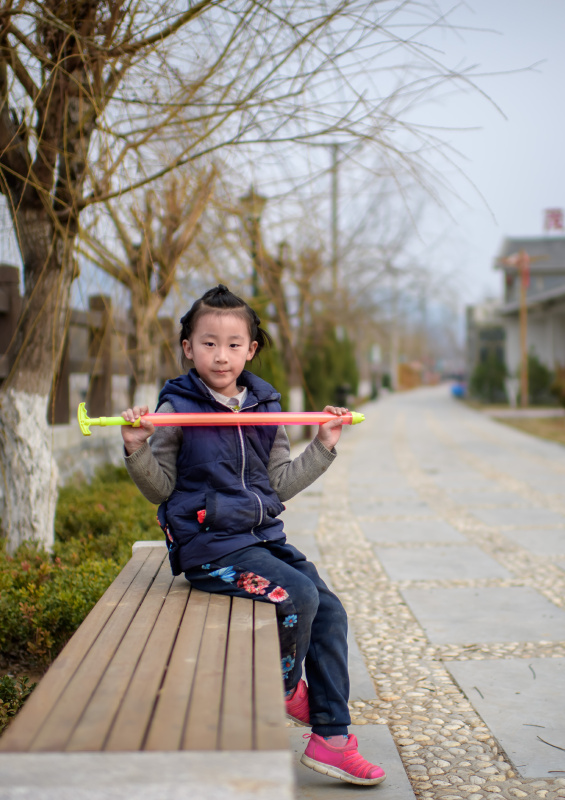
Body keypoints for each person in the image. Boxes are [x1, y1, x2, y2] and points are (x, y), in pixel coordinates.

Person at [119, 284, 385, 786]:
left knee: (329, 609)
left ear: (251, 349)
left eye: (234, 343)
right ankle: (284, 689)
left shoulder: (267, 407)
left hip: (261, 539)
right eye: (209, 343)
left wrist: (324, 446)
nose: (222, 355)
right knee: (299, 594)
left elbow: (280, 482)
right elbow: (162, 491)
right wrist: (137, 448)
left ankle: (331, 739)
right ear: (188, 348)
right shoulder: (176, 409)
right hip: (209, 549)